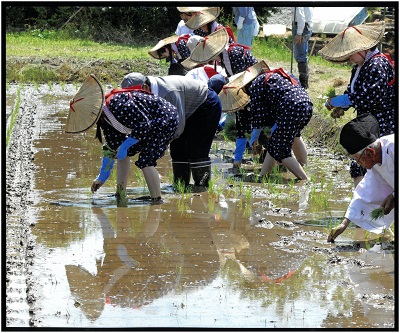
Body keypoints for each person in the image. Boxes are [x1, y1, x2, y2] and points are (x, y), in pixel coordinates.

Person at [65, 75, 179, 205]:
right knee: (120, 152)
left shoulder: (118, 105)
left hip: (164, 118)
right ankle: (120, 193)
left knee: (146, 160)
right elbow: (112, 146)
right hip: (148, 123)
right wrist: (102, 177)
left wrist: (125, 145)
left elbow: (143, 125)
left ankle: (156, 200)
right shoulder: (104, 119)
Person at [319, 21, 395, 187]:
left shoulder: (377, 64)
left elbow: (372, 96)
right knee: (359, 163)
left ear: (362, 49)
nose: (349, 58)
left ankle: (374, 204)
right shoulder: (360, 66)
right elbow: (352, 91)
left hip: (382, 122)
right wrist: (341, 105)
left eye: (351, 54)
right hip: (367, 121)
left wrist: (344, 100)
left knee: (373, 162)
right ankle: (362, 205)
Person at [120, 72, 222, 192]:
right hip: (186, 109)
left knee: (197, 149)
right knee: (177, 149)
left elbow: (177, 126)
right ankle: (180, 185)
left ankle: (202, 188)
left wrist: (158, 146)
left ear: (145, 88)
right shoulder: (149, 94)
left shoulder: (168, 92)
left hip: (206, 104)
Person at [181, 27, 260, 172]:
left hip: (255, 90)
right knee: (241, 124)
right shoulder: (224, 59)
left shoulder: (233, 53)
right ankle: (238, 162)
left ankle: (265, 156)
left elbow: (244, 78)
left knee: (258, 123)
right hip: (242, 91)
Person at [222, 61, 313, 180]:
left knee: (280, 151)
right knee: (288, 138)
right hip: (306, 105)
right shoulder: (272, 78)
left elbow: (260, 118)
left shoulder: (256, 85)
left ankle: (305, 180)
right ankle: (265, 175)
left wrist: (254, 139)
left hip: (290, 109)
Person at [327, 114, 395, 242]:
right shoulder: (376, 161)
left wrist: (394, 196)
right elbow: (364, 193)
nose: (358, 164)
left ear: (370, 153)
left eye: (356, 159)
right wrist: (344, 224)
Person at [291, 7, 313, 89]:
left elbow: (301, 17)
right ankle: (304, 83)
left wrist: (299, 33)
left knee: (300, 57)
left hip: (301, 28)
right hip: (305, 27)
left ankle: (303, 84)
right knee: (301, 56)